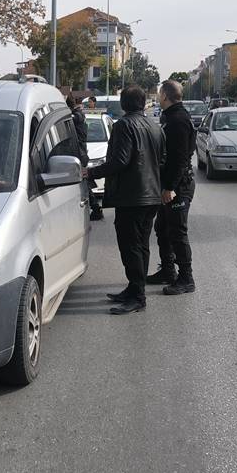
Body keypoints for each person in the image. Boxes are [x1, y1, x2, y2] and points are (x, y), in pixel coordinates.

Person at [87, 85, 164, 315]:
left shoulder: (124, 125)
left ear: (123, 103)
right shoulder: (154, 125)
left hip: (132, 196)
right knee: (141, 245)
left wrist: (90, 172)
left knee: (130, 246)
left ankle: (138, 296)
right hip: (151, 194)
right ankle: (134, 288)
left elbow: (120, 161)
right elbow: (163, 159)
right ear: (143, 103)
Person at [146, 80, 196, 296]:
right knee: (162, 229)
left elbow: (180, 158)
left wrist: (170, 187)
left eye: (159, 93)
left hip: (178, 187)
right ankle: (168, 271)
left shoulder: (178, 119)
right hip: (170, 184)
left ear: (165, 95)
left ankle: (186, 278)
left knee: (177, 232)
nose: (158, 96)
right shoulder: (170, 116)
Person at [67, 94, 103, 220]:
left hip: (79, 154)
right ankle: (95, 207)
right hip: (80, 154)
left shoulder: (77, 115)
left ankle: (96, 208)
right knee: (82, 181)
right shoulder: (79, 114)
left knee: (83, 181)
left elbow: (73, 118)